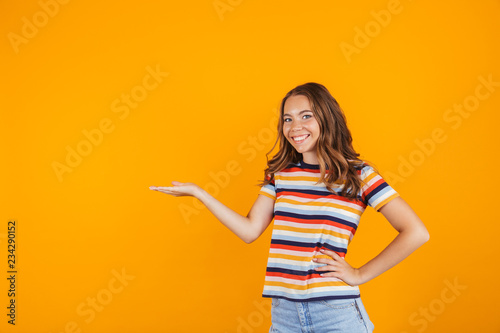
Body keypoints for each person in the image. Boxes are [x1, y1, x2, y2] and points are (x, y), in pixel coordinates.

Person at [150, 82, 430, 333]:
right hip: (284, 315)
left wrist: (359, 274)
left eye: (306, 116)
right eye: (288, 119)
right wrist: (200, 194)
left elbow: (416, 232)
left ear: (327, 118)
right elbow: (249, 231)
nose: (295, 126)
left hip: (336, 314)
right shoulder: (280, 175)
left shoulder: (358, 175)